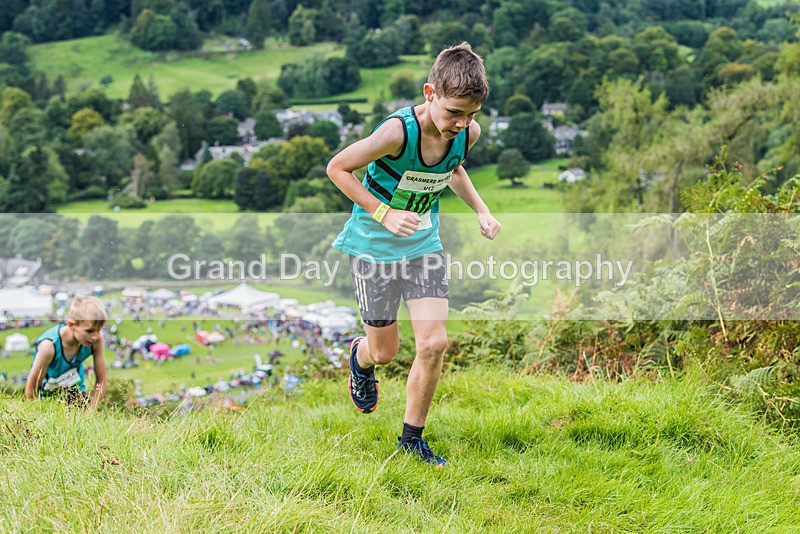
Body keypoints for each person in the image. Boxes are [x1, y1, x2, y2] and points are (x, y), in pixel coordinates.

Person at [327, 42, 501, 467]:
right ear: (429, 93)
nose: (462, 123)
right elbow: (337, 168)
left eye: (471, 114)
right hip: (373, 250)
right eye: (454, 112)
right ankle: (360, 358)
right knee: (384, 353)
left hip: (423, 247)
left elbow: (453, 169)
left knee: (434, 343)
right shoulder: (397, 133)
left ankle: (411, 440)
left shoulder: (467, 134)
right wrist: (384, 213)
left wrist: (481, 210)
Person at [24, 296, 108, 409]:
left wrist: (90, 411)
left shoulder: (96, 340)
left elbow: (101, 381)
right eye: (89, 331)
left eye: (98, 330)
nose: (95, 336)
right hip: (47, 400)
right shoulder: (48, 346)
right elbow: (31, 391)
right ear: (71, 325)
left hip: (76, 396)